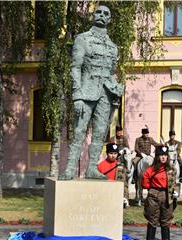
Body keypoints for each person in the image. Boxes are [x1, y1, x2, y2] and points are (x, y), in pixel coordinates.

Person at [58, 5, 124, 180]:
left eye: (106, 14)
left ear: (109, 19)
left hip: (105, 95)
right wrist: (77, 95)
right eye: (98, 12)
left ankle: (92, 167)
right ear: (93, 15)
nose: (102, 15)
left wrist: (116, 89)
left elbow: (110, 72)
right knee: (79, 132)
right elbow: (75, 68)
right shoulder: (83, 39)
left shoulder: (112, 47)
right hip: (86, 93)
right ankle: (70, 168)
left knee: (100, 133)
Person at [142, 146, 179, 240]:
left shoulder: (171, 169)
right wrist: (151, 190)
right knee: (152, 221)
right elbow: (145, 182)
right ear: (157, 157)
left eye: (165, 155)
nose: (163, 157)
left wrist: (176, 191)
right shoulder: (151, 169)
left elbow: (175, 183)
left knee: (166, 221)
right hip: (154, 195)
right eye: (161, 155)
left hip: (167, 196)